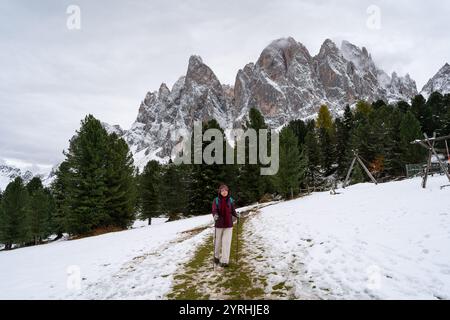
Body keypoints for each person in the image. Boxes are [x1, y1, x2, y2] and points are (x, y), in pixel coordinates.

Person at [211, 184, 239, 268]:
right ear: (220, 191)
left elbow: (233, 210)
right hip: (219, 224)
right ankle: (216, 257)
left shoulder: (230, 200)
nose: (224, 192)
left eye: (226, 190)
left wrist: (237, 215)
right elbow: (214, 210)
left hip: (228, 224)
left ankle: (225, 261)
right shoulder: (216, 200)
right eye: (222, 190)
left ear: (228, 191)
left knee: (226, 243)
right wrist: (215, 215)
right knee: (217, 242)